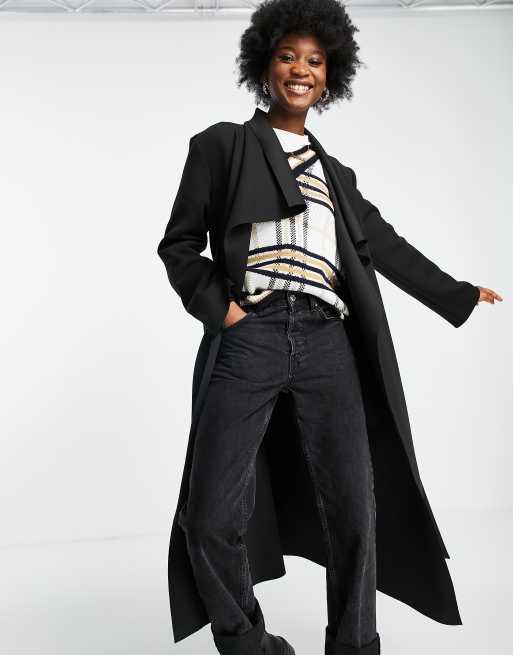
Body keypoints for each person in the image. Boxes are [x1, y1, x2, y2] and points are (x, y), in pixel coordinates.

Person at [157, 1, 502, 654]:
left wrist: (456, 293)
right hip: (250, 333)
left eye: (314, 61)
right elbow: (178, 245)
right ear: (263, 67)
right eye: (287, 56)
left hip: (326, 340)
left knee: (354, 512)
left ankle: (353, 645)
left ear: (329, 76)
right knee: (208, 515)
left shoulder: (336, 176)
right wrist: (223, 310)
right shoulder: (221, 146)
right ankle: (249, 644)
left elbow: (385, 245)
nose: (300, 69)